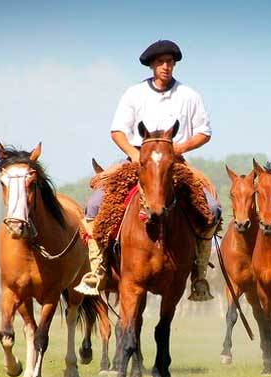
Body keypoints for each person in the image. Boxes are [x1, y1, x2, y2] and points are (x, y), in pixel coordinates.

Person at [75, 40, 220, 301]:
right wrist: (133, 155)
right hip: (135, 162)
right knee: (96, 206)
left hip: (175, 165)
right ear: (152, 65)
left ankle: (198, 275)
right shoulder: (134, 94)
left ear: (174, 64)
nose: (166, 66)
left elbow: (204, 132)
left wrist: (180, 147)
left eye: (170, 62)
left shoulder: (189, 95)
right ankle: (98, 270)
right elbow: (117, 130)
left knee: (211, 209)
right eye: (160, 62)